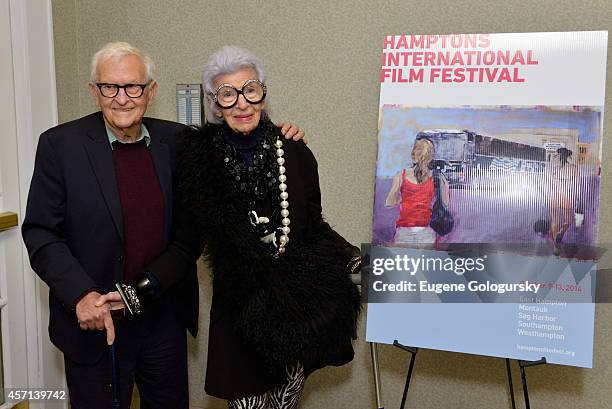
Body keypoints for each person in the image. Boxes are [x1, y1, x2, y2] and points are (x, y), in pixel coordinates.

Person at [21, 42, 304, 409]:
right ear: (94, 91)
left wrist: (285, 137)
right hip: (94, 324)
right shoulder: (59, 146)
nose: (122, 98)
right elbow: (41, 233)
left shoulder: (180, 142)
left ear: (150, 91)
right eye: (110, 87)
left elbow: (193, 229)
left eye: (134, 87)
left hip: (162, 324)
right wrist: (81, 295)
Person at [103, 45, 362, 409]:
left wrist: (354, 257)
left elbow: (313, 225)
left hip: (295, 311)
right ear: (214, 102)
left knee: (284, 403)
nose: (241, 103)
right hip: (239, 315)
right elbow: (186, 242)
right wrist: (139, 290)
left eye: (250, 90)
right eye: (228, 94)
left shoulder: (294, 150)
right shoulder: (198, 159)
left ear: (263, 93)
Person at [385, 138, 449, 244]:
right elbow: (445, 203)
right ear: (431, 157)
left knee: (403, 260)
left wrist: (405, 199)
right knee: (425, 260)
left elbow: (389, 201)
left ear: (414, 154)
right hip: (427, 230)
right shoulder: (438, 177)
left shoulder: (401, 175)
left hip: (404, 229)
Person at [547, 147, 579, 247]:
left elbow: (547, 183)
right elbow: (576, 185)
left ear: (558, 155)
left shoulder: (550, 167)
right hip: (566, 195)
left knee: (555, 221)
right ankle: (562, 231)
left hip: (554, 195)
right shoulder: (574, 168)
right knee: (569, 220)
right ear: (568, 156)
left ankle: (555, 246)